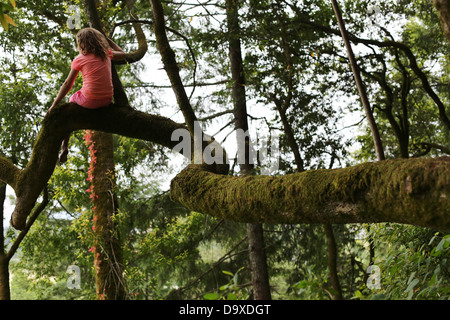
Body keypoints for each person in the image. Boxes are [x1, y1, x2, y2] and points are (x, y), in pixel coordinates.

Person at [48, 27, 127, 163]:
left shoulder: (79, 59)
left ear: (82, 43)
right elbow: (123, 54)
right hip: (107, 99)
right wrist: (108, 40)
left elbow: (68, 83)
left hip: (90, 100)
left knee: (71, 102)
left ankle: (64, 146)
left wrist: (54, 105)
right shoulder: (106, 53)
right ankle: (64, 147)